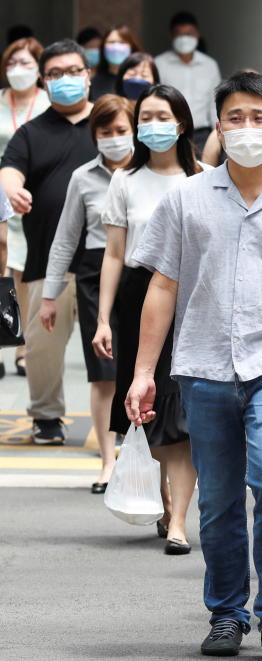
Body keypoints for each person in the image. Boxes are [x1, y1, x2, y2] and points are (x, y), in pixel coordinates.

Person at [124, 71, 262, 660]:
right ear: (218, 128)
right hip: (202, 368)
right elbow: (162, 287)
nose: (247, 129)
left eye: (259, 118)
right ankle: (227, 613)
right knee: (220, 500)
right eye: (235, 118)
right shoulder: (186, 199)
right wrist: (144, 371)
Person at [93, 84, 200, 557]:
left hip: (193, 298)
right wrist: (102, 318)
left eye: (163, 116)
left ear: (181, 124)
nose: (153, 125)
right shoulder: (125, 180)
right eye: (146, 117)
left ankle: (178, 519)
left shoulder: (204, 177)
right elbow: (114, 253)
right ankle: (164, 501)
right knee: (146, 409)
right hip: (139, 297)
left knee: (182, 410)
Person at [0, 39, 98, 443]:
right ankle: (46, 417)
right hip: (46, 261)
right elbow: (9, 170)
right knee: (42, 348)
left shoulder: (109, 123)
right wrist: (12, 190)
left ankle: (121, 421)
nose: (66, 80)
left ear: (88, 75)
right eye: (55, 74)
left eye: (74, 71)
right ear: (44, 80)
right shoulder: (31, 132)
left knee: (112, 347)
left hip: (104, 261)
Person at [40, 94, 132, 492]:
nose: (113, 138)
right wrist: (49, 294)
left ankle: (148, 456)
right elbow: (64, 240)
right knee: (104, 374)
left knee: (144, 370)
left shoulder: (152, 171)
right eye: (105, 132)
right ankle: (108, 462)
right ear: (94, 136)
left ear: (135, 131)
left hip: (148, 273)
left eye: (121, 131)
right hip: (95, 275)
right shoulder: (83, 177)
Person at [1, 36, 49, 378]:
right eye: (12, 64)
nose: (18, 70)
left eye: (26, 64)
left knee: (23, 274)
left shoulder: (48, 104)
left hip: (32, 197)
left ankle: (20, 346)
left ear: (40, 70)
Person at [155, 12, 222, 150]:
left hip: (202, 134)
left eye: (189, 34)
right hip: (170, 132)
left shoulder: (210, 65)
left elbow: (214, 102)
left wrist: (218, 134)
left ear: (197, 34)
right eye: (179, 34)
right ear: (172, 36)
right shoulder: (159, 64)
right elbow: (155, 100)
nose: (184, 39)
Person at [90, 26, 142, 100]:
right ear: (103, 48)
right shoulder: (94, 82)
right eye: (111, 42)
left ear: (131, 47)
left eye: (122, 42)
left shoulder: (140, 80)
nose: (116, 47)